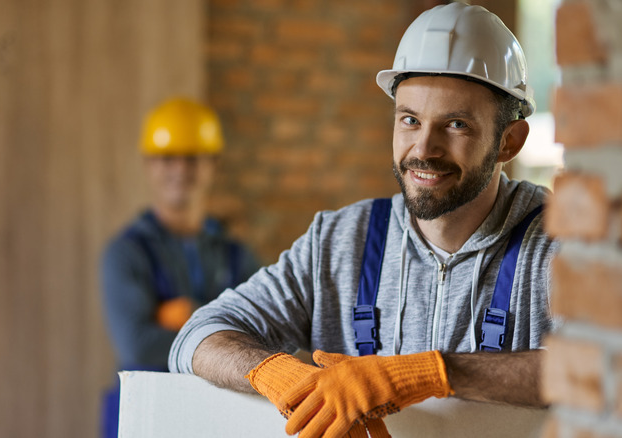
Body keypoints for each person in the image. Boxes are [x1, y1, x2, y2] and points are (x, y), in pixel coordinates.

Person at [168, 3, 558, 438]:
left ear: (509, 141)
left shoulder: (561, 245)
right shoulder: (339, 241)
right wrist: (281, 376)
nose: (423, 149)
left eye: (456, 125)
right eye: (409, 120)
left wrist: (432, 372)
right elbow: (198, 335)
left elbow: (615, 370)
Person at [99, 97, 261, 437]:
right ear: (148, 164)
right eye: (168, 158)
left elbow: (265, 336)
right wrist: (221, 334)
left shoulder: (238, 256)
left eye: (192, 158)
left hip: (219, 418)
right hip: (145, 415)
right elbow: (138, 344)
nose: (180, 170)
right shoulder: (126, 253)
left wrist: (183, 315)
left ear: (212, 164)